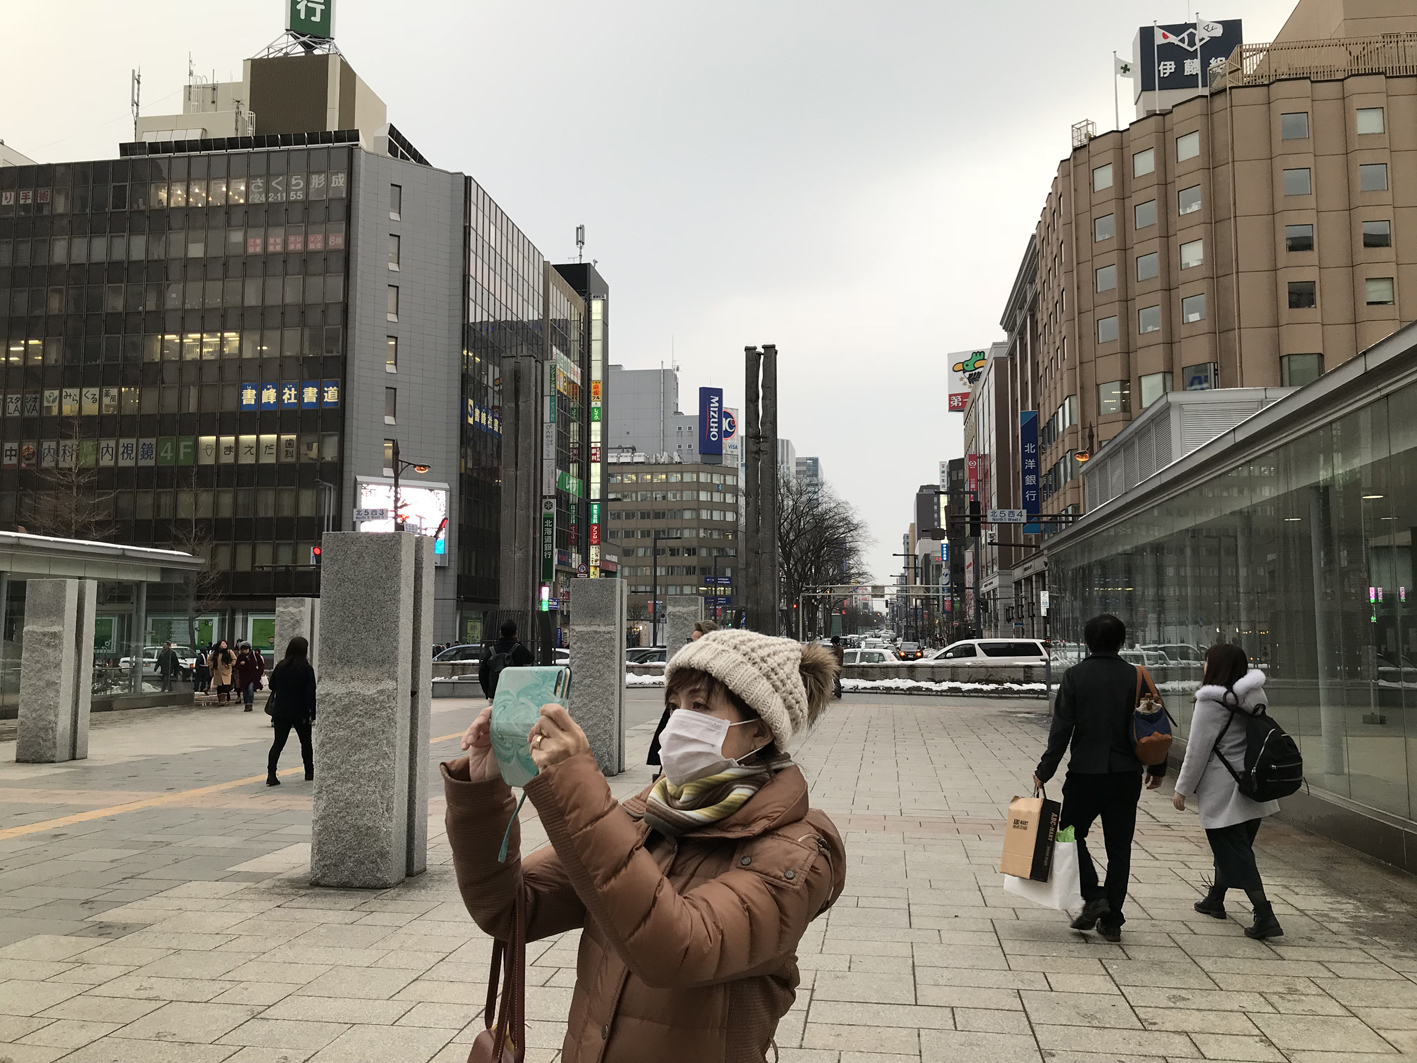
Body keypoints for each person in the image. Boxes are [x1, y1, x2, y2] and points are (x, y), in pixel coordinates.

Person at [444, 629, 845, 1062]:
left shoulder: (796, 854)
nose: (678, 721)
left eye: (701, 706)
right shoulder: (646, 812)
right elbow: (510, 909)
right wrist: (482, 792)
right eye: (674, 706)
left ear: (760, 733)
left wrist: (576, 781)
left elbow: (677, 950)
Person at [1033, 614, 1165, 942]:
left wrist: (1044, 770)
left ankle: (1094, 896)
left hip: (1085, 774)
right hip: (1126, 775)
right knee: (1119, 847)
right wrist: (1158, 769)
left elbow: (1061, 729)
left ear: (1088, 641)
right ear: (1121, 641)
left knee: (1067, 833)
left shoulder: (1076, 676)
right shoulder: (1137, 677)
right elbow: (1155, 725)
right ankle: (1113, 921)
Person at [1173, 644, 1283, 940]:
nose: (1204, 666)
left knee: (1236, 853)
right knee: (1235, 848)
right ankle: (1216, 899)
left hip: (1223, 790)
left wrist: (1182, 789)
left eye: (1207, 661)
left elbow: (1197, 751)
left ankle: (1265, 914)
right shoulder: (1254, 695)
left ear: (1217, 665)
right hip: (1253, 784)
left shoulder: (1210, 702)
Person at [646, 619, 720, 775]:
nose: (691, 647)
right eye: (690, 641)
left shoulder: (719, 673)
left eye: (697, 642)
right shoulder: (684, 668)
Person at [265, 636, 316, 785]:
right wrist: (313, 712)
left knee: (278, 743)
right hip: (301, 712)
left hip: (281, 711)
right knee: (306, 743)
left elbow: (272, 685)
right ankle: (309, 772)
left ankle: (271, 774)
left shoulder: (281, 666)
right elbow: (310, 693)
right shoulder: (306, 668)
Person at [478, 619, 534, 700]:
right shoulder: (519, 649)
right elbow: (530, 659)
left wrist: (488, 692)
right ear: (515, 633)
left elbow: (482, 673)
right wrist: (518, 642)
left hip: (495, 692)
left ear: (500, 633)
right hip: (515, 693)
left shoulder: (491, 650)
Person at [233, 643, 266, 713]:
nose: (244, 651)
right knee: (245, 691)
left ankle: (249, 704)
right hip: (244, 677)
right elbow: (236, 666)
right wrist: (240, 665)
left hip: (253, 676)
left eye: (246, 649)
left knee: (250, 689)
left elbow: (261, 664)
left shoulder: (254, 655)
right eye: (243, 650)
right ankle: (246, 703)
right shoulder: (241, 657)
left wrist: (259, 672)